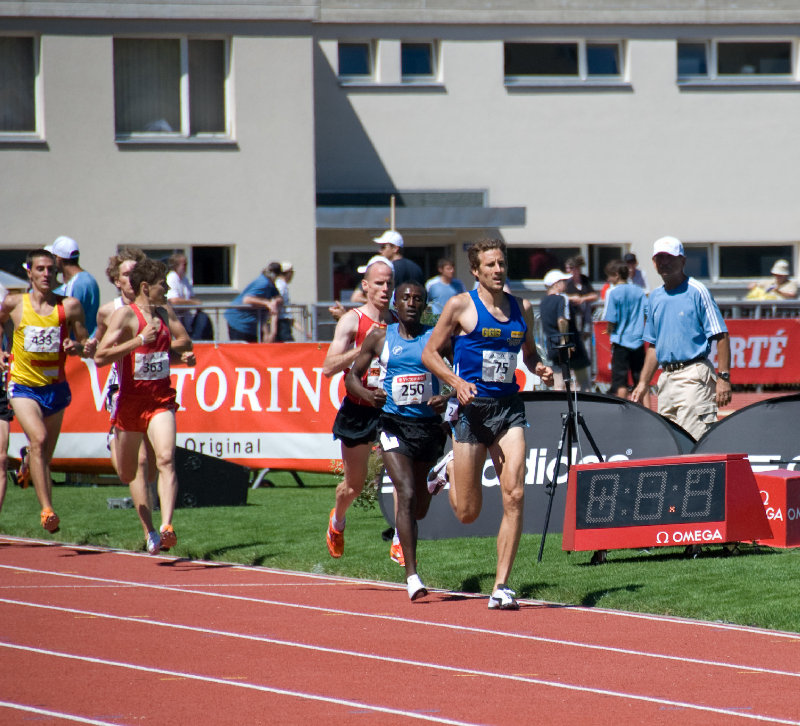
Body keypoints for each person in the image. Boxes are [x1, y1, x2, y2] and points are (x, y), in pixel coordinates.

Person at [422, 239, 554, 610]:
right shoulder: (460, 305)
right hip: (472, 411)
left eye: (501, 263)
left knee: (515, 493)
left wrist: (539, 367)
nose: (498, 270)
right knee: (468, 513)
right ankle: (450, 468)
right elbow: (430, 353)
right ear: (476, 271)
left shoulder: (522, 307)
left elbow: (529, 353)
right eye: (490, 265)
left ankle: (501, 586)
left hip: (509, 409)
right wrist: (456, 382)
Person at [346, 281, 449, 600]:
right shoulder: (380, 337)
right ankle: (412, 576)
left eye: (418, 299)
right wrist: (367, 395)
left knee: (419, 507)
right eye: (406, 298)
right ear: (396, 303)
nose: (411, 303)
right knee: (404, 493)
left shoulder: (436, 337)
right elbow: (352, 376)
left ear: (424, 306)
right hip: (393, 425)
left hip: (428, 428)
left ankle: (431, 483)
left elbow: (463, 373)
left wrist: (446, 397)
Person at [95, 257, 194, 554]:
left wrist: (177, 354)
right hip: (129, 403)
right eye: (163, 284)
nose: (168, 289)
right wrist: (139, 340)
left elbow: (184, 341)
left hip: (160, 400)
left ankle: (166, 526)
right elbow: (100, 357)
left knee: (166, 459)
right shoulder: (125, 315)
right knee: (128, 473)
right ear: (146, 287)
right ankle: (114, 440)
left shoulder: (164, 312)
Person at [0, 249, 96, 532]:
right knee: (39, 439)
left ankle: (28, 462)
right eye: (40, 269)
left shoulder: (70, 306)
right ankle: (47, 510)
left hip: (55, 388)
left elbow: (84, 344)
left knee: (44, 454)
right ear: (29, 272)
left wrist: (77, 347)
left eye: (50, 270)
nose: (46, 274)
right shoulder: (14, 303)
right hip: (22, 386)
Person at [324, 257, 395, 560]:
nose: (385, 288)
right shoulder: (352, 321)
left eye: (389, 283)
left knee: (401, 475)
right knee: (353, 486)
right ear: (366, 286)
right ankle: (337, 521)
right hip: (358, 408)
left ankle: (401, 540)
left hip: (391, 409)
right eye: (379, 283)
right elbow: (328, 367)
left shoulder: (398, 320)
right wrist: (364, 349)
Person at [631, 236, 731, 441]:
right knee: (671, 443)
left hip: (693, 375)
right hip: (666, 380)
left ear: (683, 260)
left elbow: (721, 335)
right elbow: (654, 346)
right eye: (660, 258)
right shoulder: (655, 297)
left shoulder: (697, 291)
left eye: (670, 257)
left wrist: (723, 378)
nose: (664, 262)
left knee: (694, 441)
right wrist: (643, 383)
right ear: (653, 263)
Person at [603, 261, 649, 406]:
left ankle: (622, 411)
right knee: (641, 379)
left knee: (620, 381)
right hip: (637, 340)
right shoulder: (639, 291)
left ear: (616, 275)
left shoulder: (614, 293)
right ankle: (649, 411)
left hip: (621, 340)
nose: (608, 279)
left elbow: (612, 319)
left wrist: (609, 330)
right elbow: (647, 313)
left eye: (610, 276)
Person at [539, 269, 591, 391]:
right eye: (563, 281)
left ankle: (559, 403)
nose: (566, 284)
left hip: (553, 345)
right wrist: (564, 341)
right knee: (583, 383)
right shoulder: (562, 299)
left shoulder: (543, 302)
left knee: (558, 384)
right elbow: (562, 320)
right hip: (569, 345)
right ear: (556, 284)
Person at [50, 236, 101, 338]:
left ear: (58, 259)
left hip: (78, 343)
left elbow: (68, 317)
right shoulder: (87, 279)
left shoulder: (78, 283)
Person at [224, 263, 282, 342]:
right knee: (242, 348)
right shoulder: (263, 283)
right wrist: (267, 303)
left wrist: (275, 301)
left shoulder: (270, 284)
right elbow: (247, 299)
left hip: (253, 324)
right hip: (240, 322)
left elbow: (278, 297)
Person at [166, 252, 213, 340]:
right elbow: (173, 300)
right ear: (176, 265)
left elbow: (191, 296)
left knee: (203, 318)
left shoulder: (185, 279)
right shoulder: (172, 278)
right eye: (184, 264)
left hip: (186, 317)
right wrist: (194, 303)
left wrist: (197, 304)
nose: (186, 267)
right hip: (175, 318)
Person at [564, 255, 598, 349]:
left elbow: (594, 295)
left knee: (586, 342)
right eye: (568, 268)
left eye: (571, 268)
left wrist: (582, 299)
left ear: (577, 268)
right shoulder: (567, 282)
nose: (569, 271)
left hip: (585, 317)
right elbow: (562, 296)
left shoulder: (585, 280)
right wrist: (572, 298)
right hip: (573, 316)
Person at [274, 262, 296, 342]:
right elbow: (276, 301)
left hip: (284, 320)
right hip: (281, 321)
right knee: (287, 344)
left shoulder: (282, 284)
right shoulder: (281, 285)